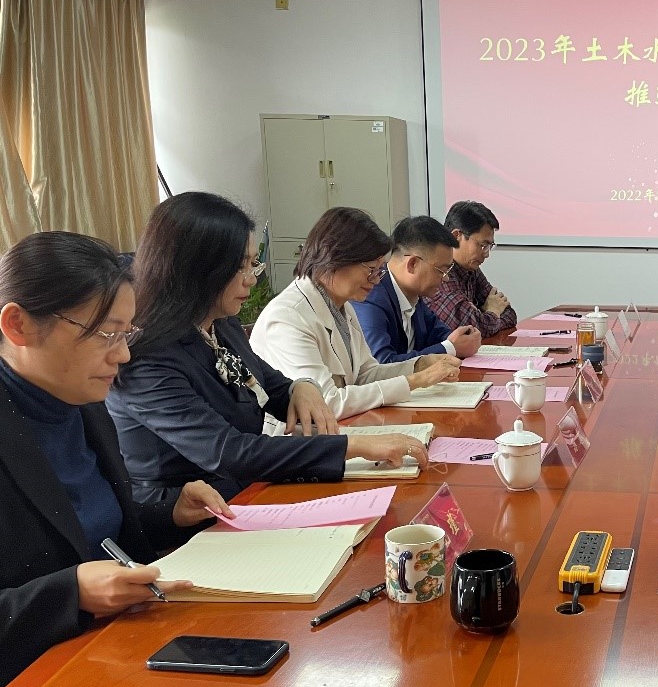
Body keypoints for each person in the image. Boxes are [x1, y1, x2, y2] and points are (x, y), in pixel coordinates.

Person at [0, 232, 233, 687]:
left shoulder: (82, 402)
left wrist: (169, 513)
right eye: (105, 334)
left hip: (113, 649)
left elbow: (88, 529)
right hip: (32, 684)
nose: (123, 354)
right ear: (17, 326)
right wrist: (69, 594)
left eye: (127, 333)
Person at [107, 192, 423, 506]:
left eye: (253, 263)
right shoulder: (147, 358)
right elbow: (229, 452)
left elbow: (267, 383)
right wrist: (355, 446)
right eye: (240, 266)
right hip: (192, 510)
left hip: (248, 490)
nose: (251, 280)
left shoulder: (220, 323)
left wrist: (300, 387)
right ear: (198, 268)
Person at [249, 207, 461, 424]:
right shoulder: (288, 317)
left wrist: (419, 365)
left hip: (337, 428)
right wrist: (415, 381)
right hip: (296, 437)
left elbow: (364, 374)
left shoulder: (342, 306)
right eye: (371, 270)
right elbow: (325, 403)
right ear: (335, 260)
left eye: (379, 270)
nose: (376, 280)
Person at [352, 215, 482, 363]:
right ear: (412, 264)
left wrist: (464, 337)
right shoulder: (371, 298)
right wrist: (450, 348)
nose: (446, 278)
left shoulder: (413, 294)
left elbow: (439, 334)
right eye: (441, 270)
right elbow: (382, 363)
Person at [428, 201, 516, 337]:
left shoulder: (471, 268)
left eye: (489, 246)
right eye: (482, 245)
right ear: (456, 236)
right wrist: (492, 312)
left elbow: (509, 313)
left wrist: (483, 316)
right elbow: (469, 329)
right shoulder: (441, 272)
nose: (486, 254)